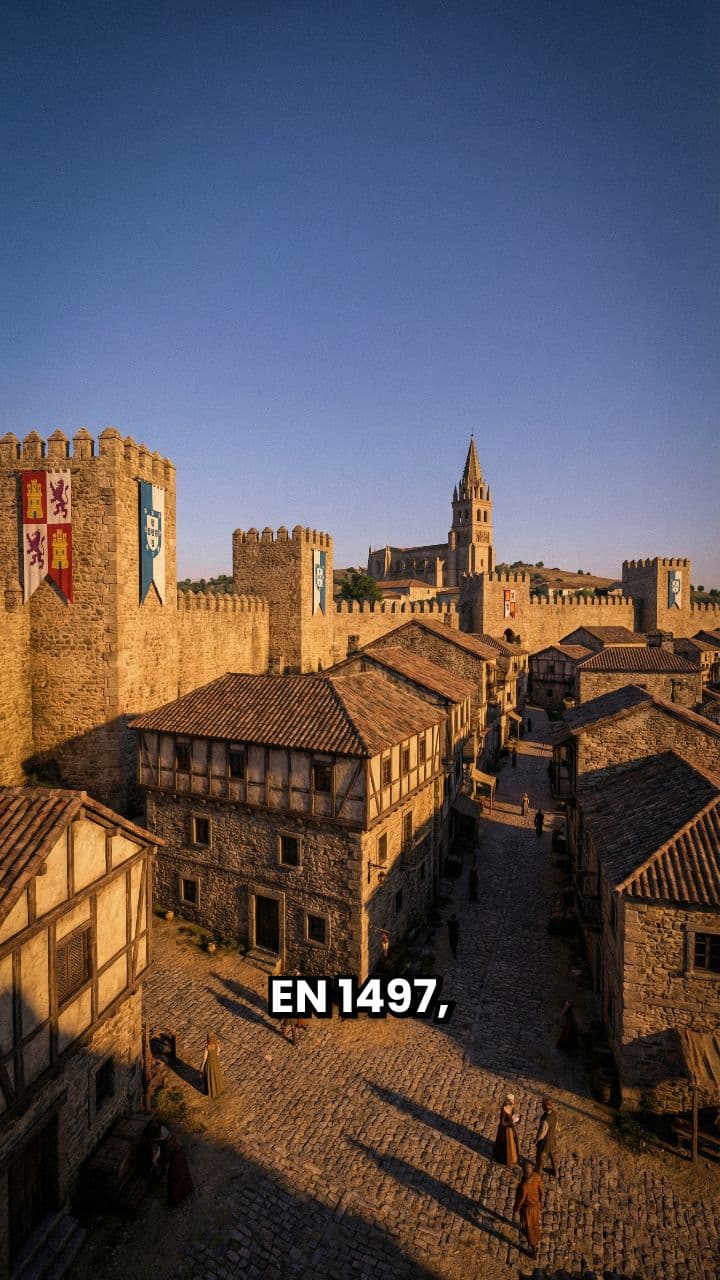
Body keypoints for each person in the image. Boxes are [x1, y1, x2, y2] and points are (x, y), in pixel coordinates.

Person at [514, 1161, 543, 1258]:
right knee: (535, 1224)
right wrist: (540, 1202)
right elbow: (541, 1192)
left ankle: (534, 1248)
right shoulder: (537, 1177)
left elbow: (521, 1200)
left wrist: (516, 1208)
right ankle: (536, 1239)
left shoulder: (525, 1186)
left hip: (528, 1210)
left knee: (530, 1227)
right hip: (536, 1207)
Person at [166, 1133, 194, 1206]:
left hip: (177, 1169)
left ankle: (178, 1198)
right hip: (179, 1168)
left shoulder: (176, 1150)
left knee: (177, 1184)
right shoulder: (177, 1149)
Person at [492, 1093, 520, 1166]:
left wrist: (516, 1117)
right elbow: (502, 1123)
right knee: (505, 1146)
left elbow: (512, 1114)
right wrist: (512, 1122)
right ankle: (505, 1160)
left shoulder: (511, 1107)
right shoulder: (504, 1109)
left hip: (510, 1129)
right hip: (504, 1131)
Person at [535, 1098, 559, 1177]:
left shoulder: (545, 1119)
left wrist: (536, 1139)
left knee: (540, 1157)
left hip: (545, 1141)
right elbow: (556, 1126)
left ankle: (539, 1172)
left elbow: (542, 1133)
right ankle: (556, 1172)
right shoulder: (554, 1114)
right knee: (553, 1156)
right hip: (552, 1139)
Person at [201, 1031, 225, 1097]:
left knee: (210, 1077)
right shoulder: (217, 1045)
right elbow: (218, 1053)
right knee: (216, 1076)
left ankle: (211, 1091)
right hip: (216, 1063)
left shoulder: (206, 1048)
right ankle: (218, 1090)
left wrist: (202, 1066)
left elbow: (205, 1058)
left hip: (209, 1064)